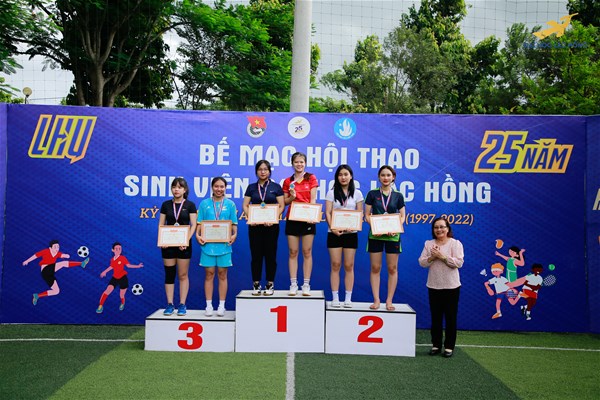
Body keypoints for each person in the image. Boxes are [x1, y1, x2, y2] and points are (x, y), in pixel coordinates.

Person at [418, 217, 464, 358]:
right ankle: (436, 344)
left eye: (442, 227)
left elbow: (459, 263)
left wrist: (442, 256)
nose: (439, 230)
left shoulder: (455, 244)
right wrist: (432, 257)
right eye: (436, 227)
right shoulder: (429, 244)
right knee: (436, 317)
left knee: (451, 318)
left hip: (451, 286)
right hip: (434, 285)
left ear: (448, 228)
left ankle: (449, 346)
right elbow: (422, 262)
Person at [364, 165, 405, 311]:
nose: (385, 178)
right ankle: (376, 299)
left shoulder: (398, 195)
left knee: (392, 268)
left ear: (393, 177)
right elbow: (367, 215)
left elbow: (402, 216)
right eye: (383, 175)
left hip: (393, 237)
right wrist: (375, 227)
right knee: (375, 268)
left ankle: (389, 300)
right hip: (375, 236)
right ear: (379, 177)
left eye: (388, 175)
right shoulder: (372, 194)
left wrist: (394, 228)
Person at [196, 177, 238, 317]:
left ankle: (221, 305)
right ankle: (208, 305)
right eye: (216, 186)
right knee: (209, 274)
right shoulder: (204, 204)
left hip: (224, 245)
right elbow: (199, 223)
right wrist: (197, 235)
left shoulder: (230, 204)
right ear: (212, 187)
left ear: (225, 188)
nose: (219, 189)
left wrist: (234, 235)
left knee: (222, 274)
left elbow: (234, 224)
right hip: (208, 245)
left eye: (222, 186)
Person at [242, 160, 284, 296]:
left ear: (269, 171)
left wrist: (274, 218)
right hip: (255, 227)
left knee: (271, 255)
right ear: (256, 172)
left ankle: (270, 283)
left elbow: (282, 205)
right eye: (260, 169)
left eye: (265, 169)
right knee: (256, 255)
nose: (263, 172)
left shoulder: (276, 187)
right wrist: (250, 217)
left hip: (271, 227)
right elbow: (245, 205)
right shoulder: (251, 187)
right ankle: (256, 283)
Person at [325, 164, 363, 308]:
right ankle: (335, 297)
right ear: (337, 177)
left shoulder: (357, 193)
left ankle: (348, 298)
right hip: (334, 233)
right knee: (335, 265)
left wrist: (355, 226)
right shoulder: (331, 193)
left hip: (351, 234)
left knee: (349, 265)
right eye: (340, 175)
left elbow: (360, 213)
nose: (343, 177)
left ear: (351, 176)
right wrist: (333, 228)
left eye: (346, 174)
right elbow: (328, 212)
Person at [158, 177, 197, 317]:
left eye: (179, 187)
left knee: (182, 275)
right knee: (169, 274)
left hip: (184, 245)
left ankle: (182, 304)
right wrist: (162, 240)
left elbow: (194, 225)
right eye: (174, 187)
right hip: (168, 245)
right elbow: (161, 224)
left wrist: (186, 240)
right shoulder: (166, 205)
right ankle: (169, 304)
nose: (176, 190)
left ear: (185, 190)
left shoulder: (190, 205)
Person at [282, 152, 319, 296]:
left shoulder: (311, 178)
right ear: (292, 164)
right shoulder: (288, 181)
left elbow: (313, 199)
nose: (299, 164)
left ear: (305, 163)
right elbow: (285, 202)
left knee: (307, 251)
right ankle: (293, 284)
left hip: (307, 219)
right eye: (296, 162)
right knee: (293, 252)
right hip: (292, 218)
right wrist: (292, 197)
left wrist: (312, 215)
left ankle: (306, 284)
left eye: (301, 162)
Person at [23, 240, 89, 305]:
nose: (57, 248)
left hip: (48, 275)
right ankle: (81, 263)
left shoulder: (57, 253)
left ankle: (37, 296)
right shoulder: (46, 251)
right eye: (55, 247)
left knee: (56, 291)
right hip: (45, 270)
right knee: (63, 263)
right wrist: (27, 261)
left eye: (58, 247)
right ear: (50, 248)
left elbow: (62, 255)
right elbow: (35, 255)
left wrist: (66, 255)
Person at [96, 242, 143, 313]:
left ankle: (122, 303)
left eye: (120, 249)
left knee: (121, 295)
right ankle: (100, 306)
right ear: (113, 250)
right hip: (114, 278)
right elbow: (111, 266)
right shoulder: (112, 259)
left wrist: (138, 266)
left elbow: (128, 265)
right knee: (107, 290)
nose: (118, 250)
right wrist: (104, 272)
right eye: (116, 249)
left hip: (123, 278)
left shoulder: (123, 258)